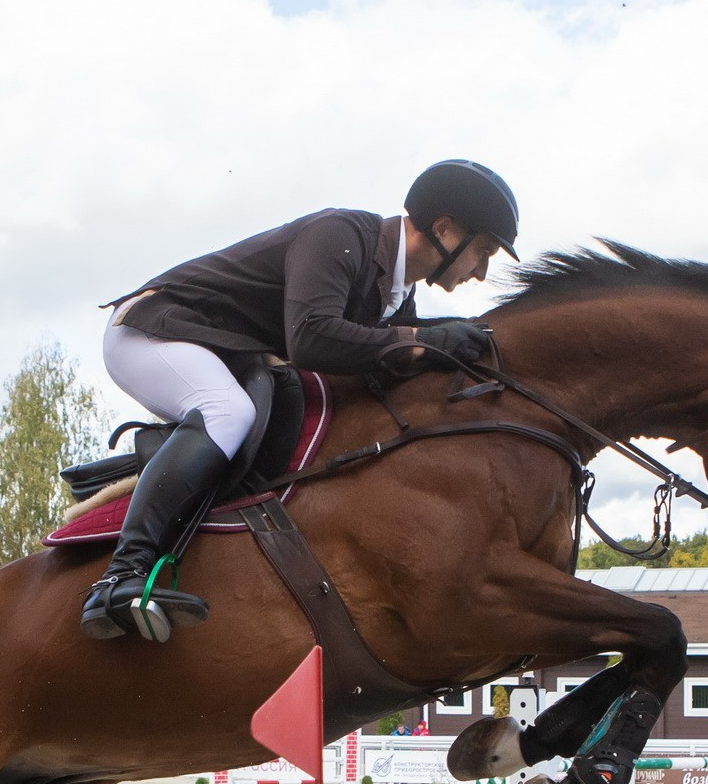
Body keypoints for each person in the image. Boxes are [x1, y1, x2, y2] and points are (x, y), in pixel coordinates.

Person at [83, 160, 520, 642]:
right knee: (228, 412)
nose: (481, 271)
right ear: (444, 229)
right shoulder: (341, 235)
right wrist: (424, 340)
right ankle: (118, 577)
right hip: (153, 329)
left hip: (218, 348)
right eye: (482, 251)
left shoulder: (396, 295)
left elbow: (385, 346)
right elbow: (311, 339)